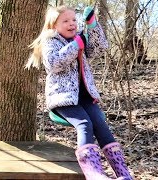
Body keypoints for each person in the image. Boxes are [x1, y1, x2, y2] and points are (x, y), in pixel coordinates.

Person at [26, 5, 132, 180]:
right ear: (54, 25)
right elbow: (54, 64)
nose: (71, 24)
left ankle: (123, 173)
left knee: (101, 124)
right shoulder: (50, 41)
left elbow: (99, 48)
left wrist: (92, 26)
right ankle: (94, 174)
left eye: (74, 20)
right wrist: (76, 45)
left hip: (85, 97)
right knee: (85, 124)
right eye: (65, 21)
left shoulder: (78, 38)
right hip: (63, 98)